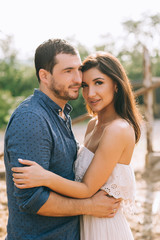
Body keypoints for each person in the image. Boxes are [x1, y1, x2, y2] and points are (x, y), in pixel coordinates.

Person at [12, 51, 142, 239]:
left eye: (99, 83)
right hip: (84, 223)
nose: (90, 93)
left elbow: (88, 189)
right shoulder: (93, 125)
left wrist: (44, 177)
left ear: (115, 85)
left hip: (104, 226)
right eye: (85, 85)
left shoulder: (118, 130)